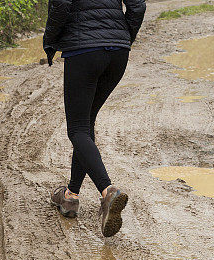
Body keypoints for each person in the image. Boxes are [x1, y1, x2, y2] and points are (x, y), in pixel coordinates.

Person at [43, 0, 146, 237]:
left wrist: (50, 42)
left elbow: (60, 4)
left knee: (77, 129)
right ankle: (70, 196)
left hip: (84, 50)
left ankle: (107, 191)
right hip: (118, 52)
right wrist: (121, 36)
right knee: (86, 123)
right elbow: (137, 6)